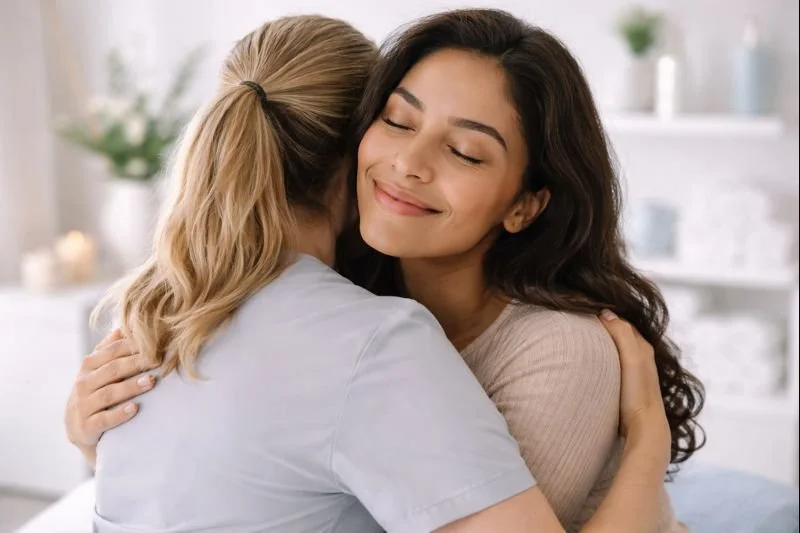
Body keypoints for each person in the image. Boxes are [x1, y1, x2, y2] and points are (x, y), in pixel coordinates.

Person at [65, 10, 688, 533]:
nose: (410, 163)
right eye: (396, 120)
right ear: (353, 138)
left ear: (524, 204)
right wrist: (99, 437)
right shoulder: (343, 305)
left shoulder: (552, 349)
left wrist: (645, 443)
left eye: (466, 151)